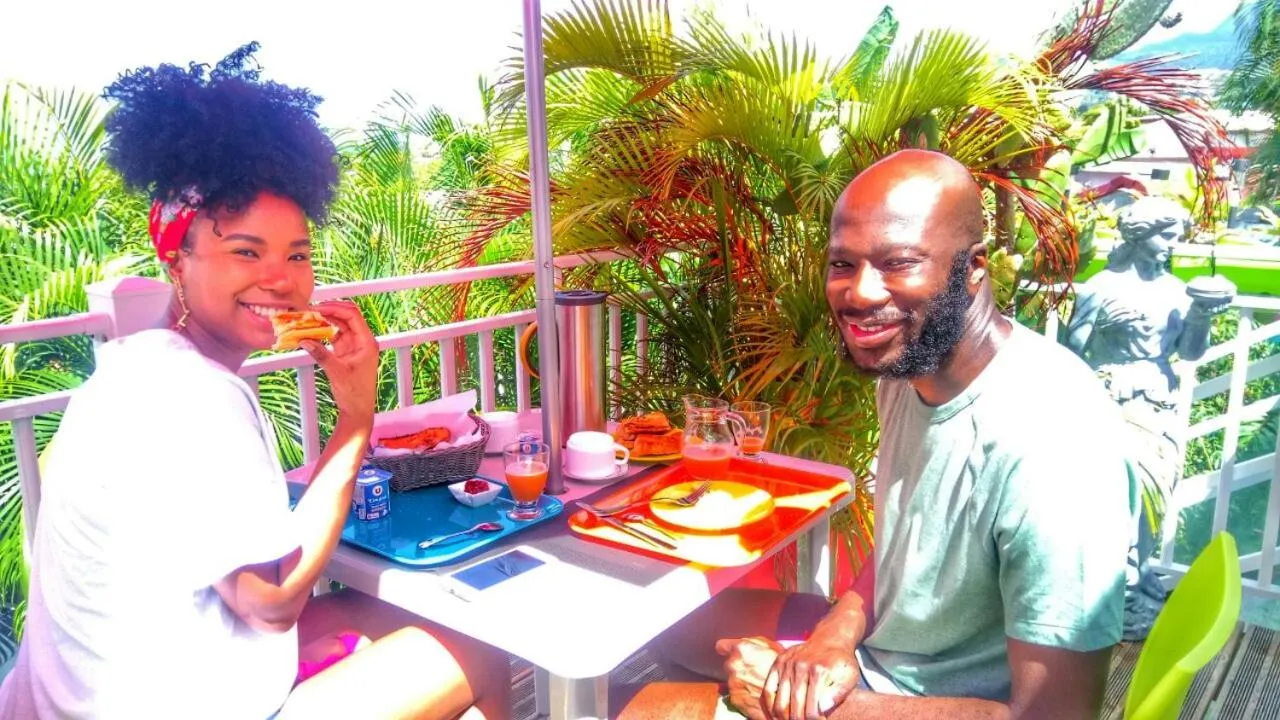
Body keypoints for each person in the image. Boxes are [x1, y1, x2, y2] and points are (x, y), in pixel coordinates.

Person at [0, 44, 508, 720]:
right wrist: (356, 417)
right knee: (481, 646)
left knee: (374, 610)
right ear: (176, 262)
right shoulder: (197, 397)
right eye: (245, 251)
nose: (281, 278)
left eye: (296, 254)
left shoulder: (132, 367)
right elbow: (272, 603)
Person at [619, 149, 1136, 720]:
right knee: (661, 624)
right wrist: (833, 636)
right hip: (879, 652)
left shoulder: (1054, 440)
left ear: (974, 268)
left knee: (642, 710)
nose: (860, 293)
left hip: (939, 702)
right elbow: (899, 550)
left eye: (898, 262)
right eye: (843, 264)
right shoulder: (908, 366)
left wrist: (798, 704)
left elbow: (1055, 715)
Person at [1066, 195, 1234, 640]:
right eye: (1165, 236)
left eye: (1176, 238)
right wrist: (1102, 329)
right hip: (1108, 398)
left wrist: (1200, 314)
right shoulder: (1100, 287)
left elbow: (1191, 352)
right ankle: (1115, 584)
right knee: (1116, 492)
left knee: (1156, 489)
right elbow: (1068, 352)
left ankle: (1139, 573)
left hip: (1159, 400)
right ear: (1139, 236)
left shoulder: (1178, 291)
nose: (1171, 246)